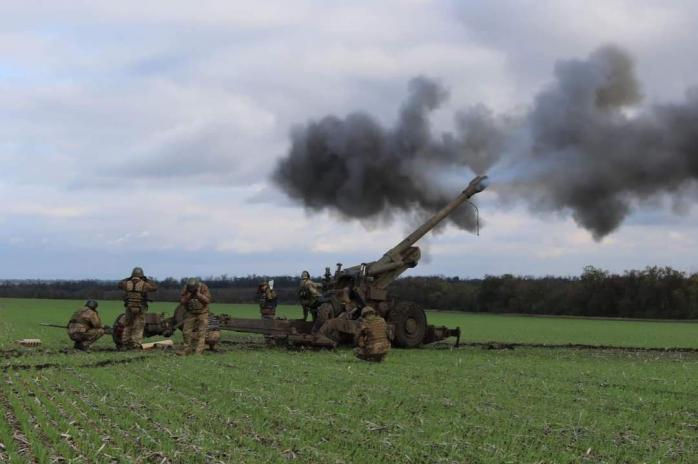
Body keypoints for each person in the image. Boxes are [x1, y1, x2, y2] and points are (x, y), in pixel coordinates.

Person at [118, 267, 158, 350]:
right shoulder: (144, 284)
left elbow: (119, 284)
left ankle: (125, 343)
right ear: (141, 275)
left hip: (129, 307)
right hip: (141, 307)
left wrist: (128, 278)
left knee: (128, 325)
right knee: (139, 326)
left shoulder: (127, 283)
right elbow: (154, 288)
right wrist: (147, 280)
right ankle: (135, 344)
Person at [178, 277, 212, 355]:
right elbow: (182, 302)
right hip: (190, 313)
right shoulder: (186, 288)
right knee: (186, 331)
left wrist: (199, 295)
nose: (192, 289)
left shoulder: (203, 287)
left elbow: (208, 300)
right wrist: (188, 296)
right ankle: (187, 350)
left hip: (202, 313)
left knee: (202, 332)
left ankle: (199, 352)